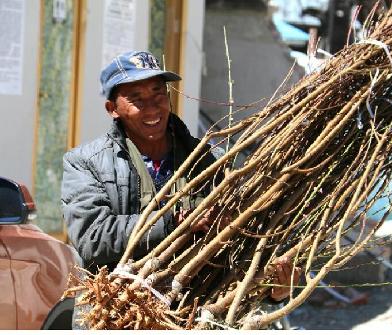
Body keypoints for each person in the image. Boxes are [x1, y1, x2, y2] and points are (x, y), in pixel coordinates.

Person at [61, 51, 297, 327]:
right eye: (136, 99)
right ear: (112, 108)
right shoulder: (85, 162)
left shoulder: (204, 159)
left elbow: (234, 239)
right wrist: (174, 222)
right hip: (119, 316)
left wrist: (273, 289)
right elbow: (93, 239)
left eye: (158, 94)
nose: (152, 108)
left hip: (192, 315)